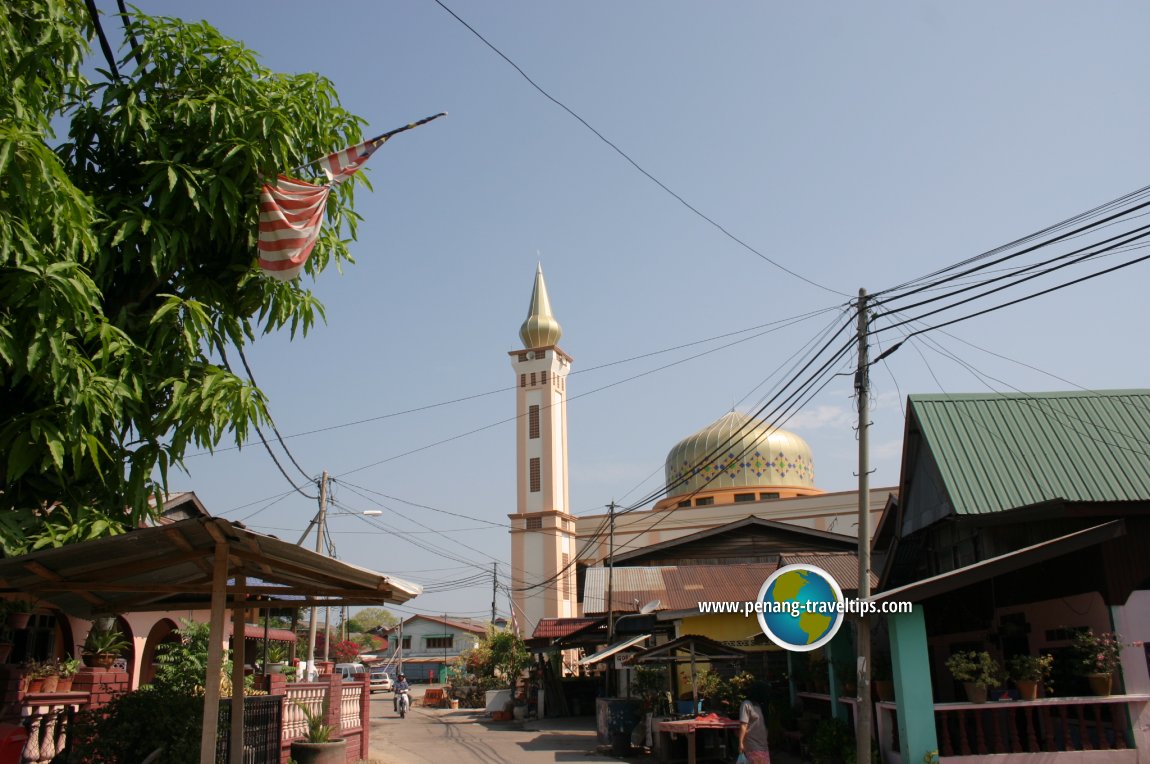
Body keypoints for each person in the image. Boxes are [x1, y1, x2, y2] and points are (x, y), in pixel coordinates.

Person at [737, 680, 771, 764]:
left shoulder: (750, 705)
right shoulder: (756, 706)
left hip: (758, 747)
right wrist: (741, 743)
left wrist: (740, 742)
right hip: (757, 747)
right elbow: (744, 725)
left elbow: (744, 725)